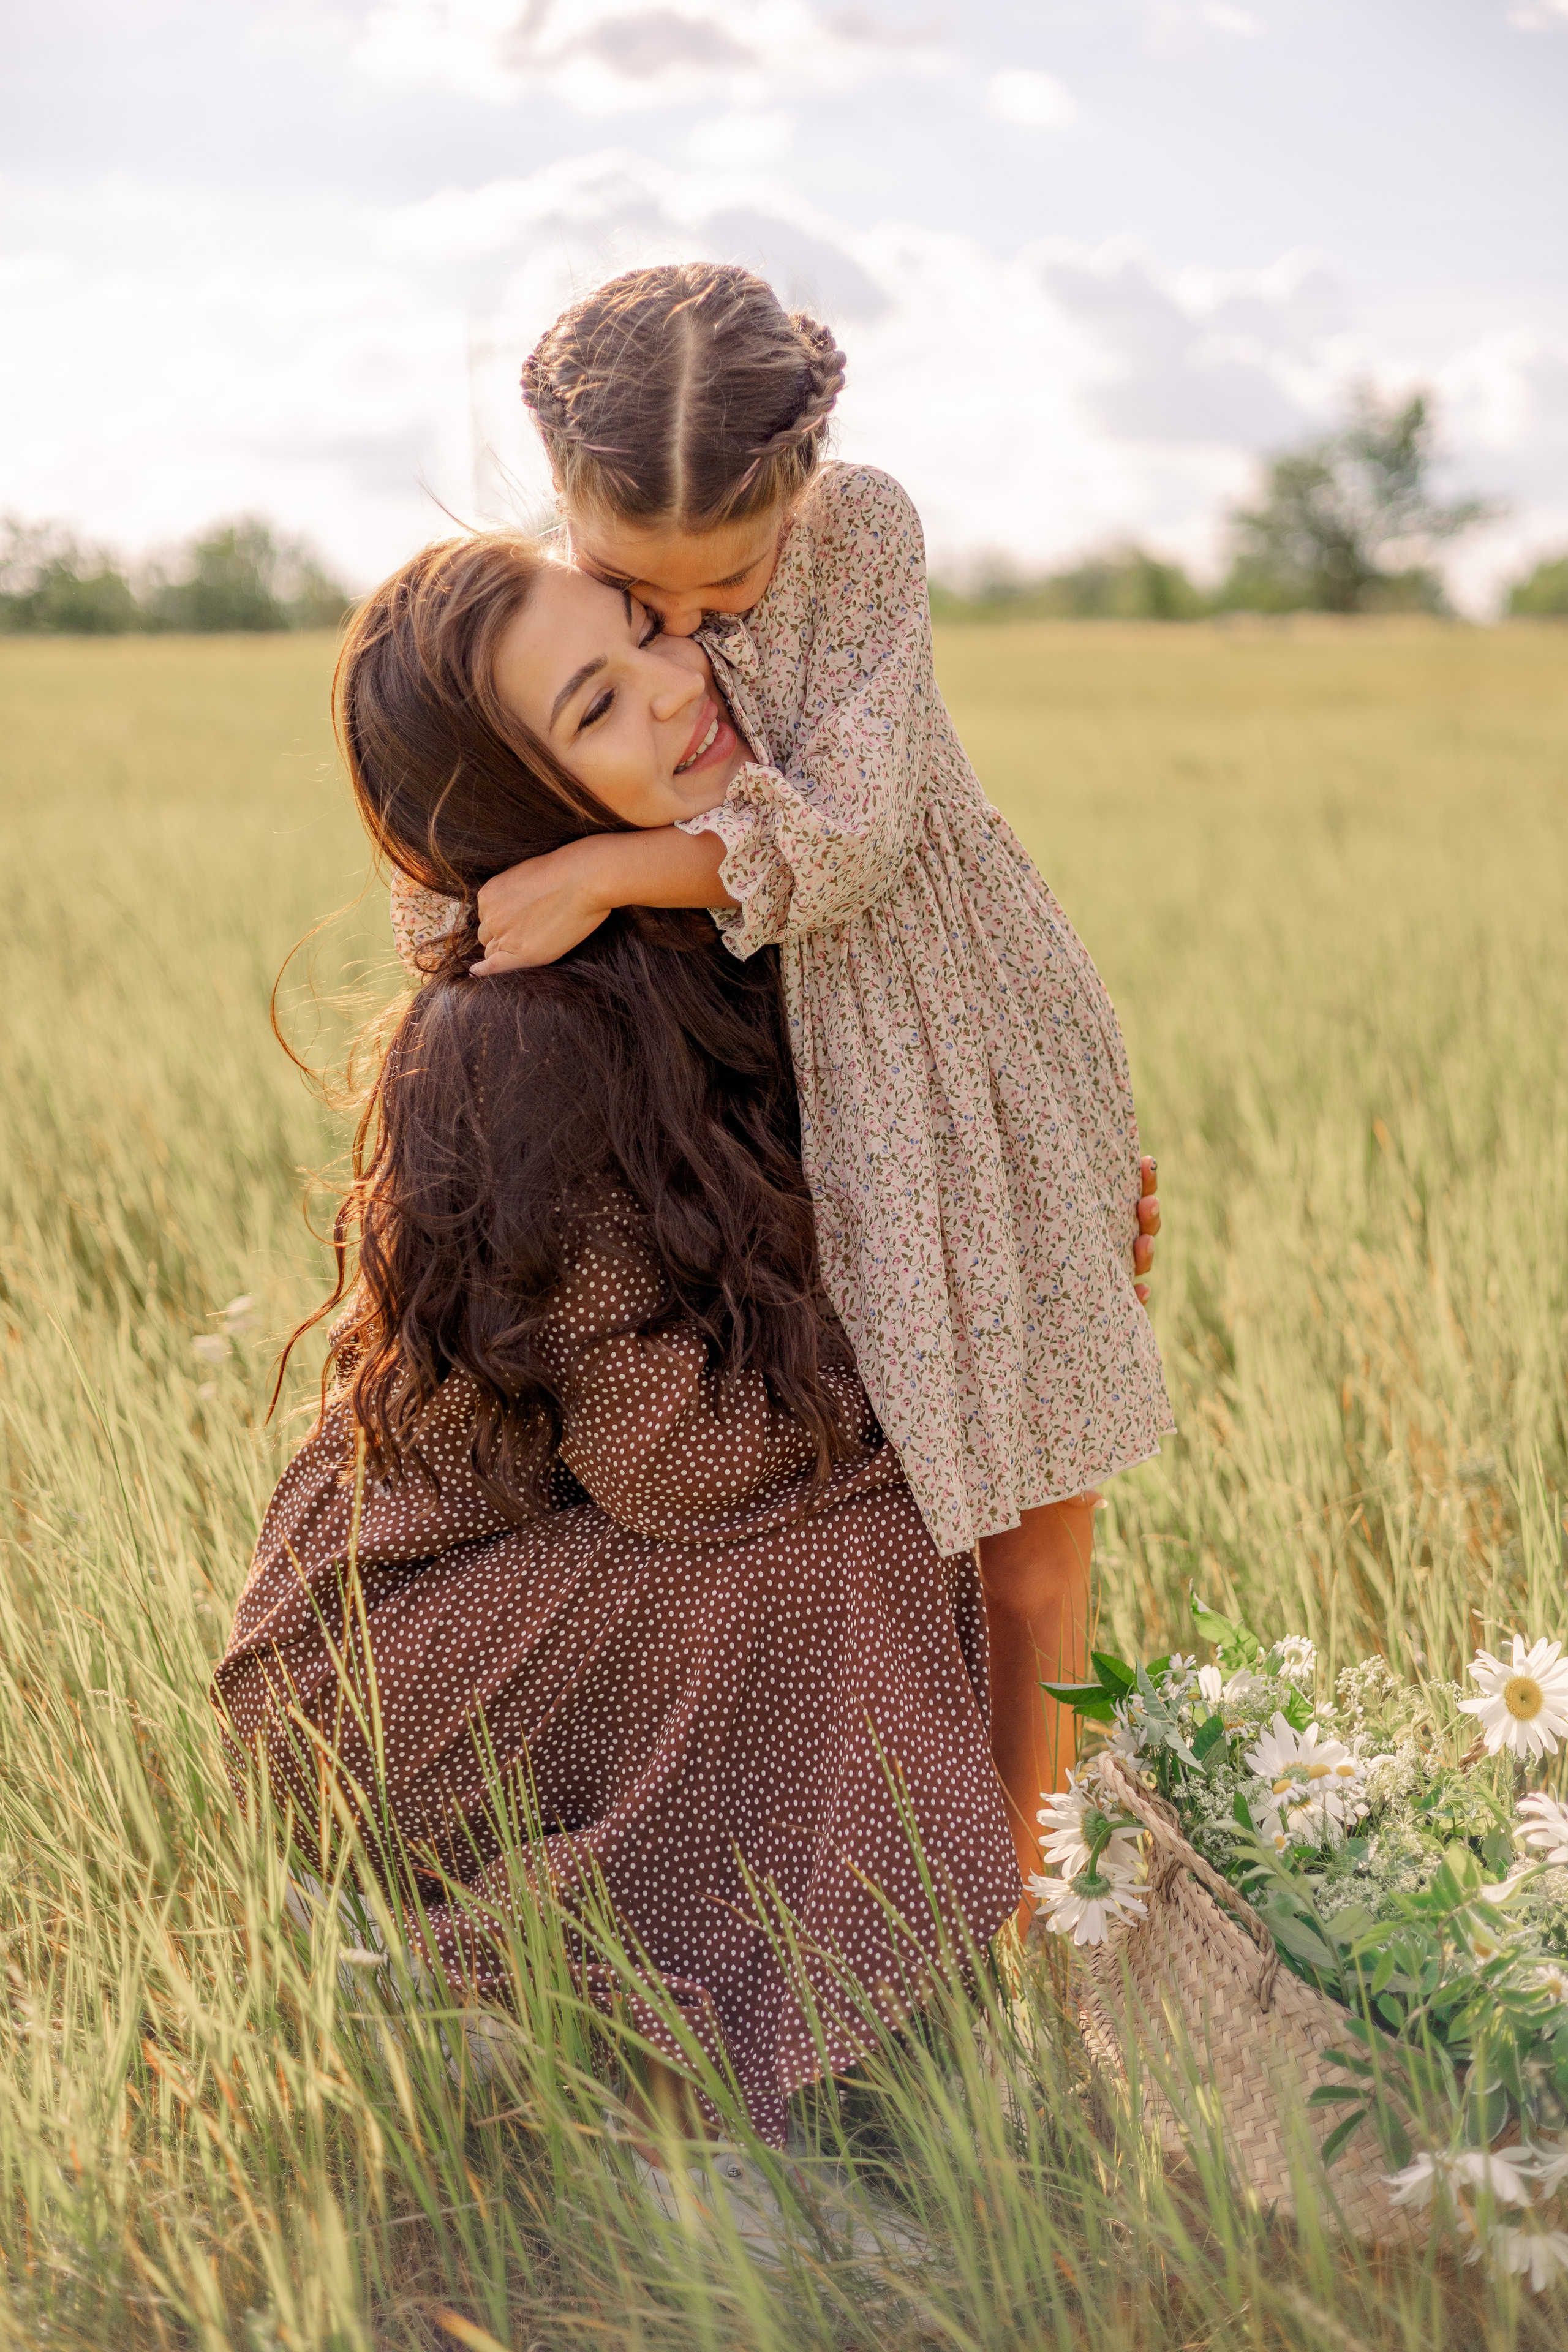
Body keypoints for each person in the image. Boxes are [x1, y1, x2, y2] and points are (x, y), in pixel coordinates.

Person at [214, 531, 1021, 2155]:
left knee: (914, 1538)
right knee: (845, 1561)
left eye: (651, 632)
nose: (677, 688)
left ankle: (873, 2025)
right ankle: (663, 2057)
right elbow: (682, 1462)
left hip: (574, 1578)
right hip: (383, 1671)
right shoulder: (517, 1039)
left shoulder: (728, 922)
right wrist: (967, 1332)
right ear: (525, 809)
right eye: (598, 702)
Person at [391, 262, 1171, 1880]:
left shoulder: (864, 535)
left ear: (803, 490)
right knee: (886, 1515)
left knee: (1032, 1541)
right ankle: (914, 1891)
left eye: (722, 589)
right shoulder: (550, 588)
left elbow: (852, 838)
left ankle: (1045, 1915)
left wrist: (610, 867)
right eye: (635, 596)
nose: (680, 634)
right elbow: (474, 825)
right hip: (791, 1087)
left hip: (958, 1049)